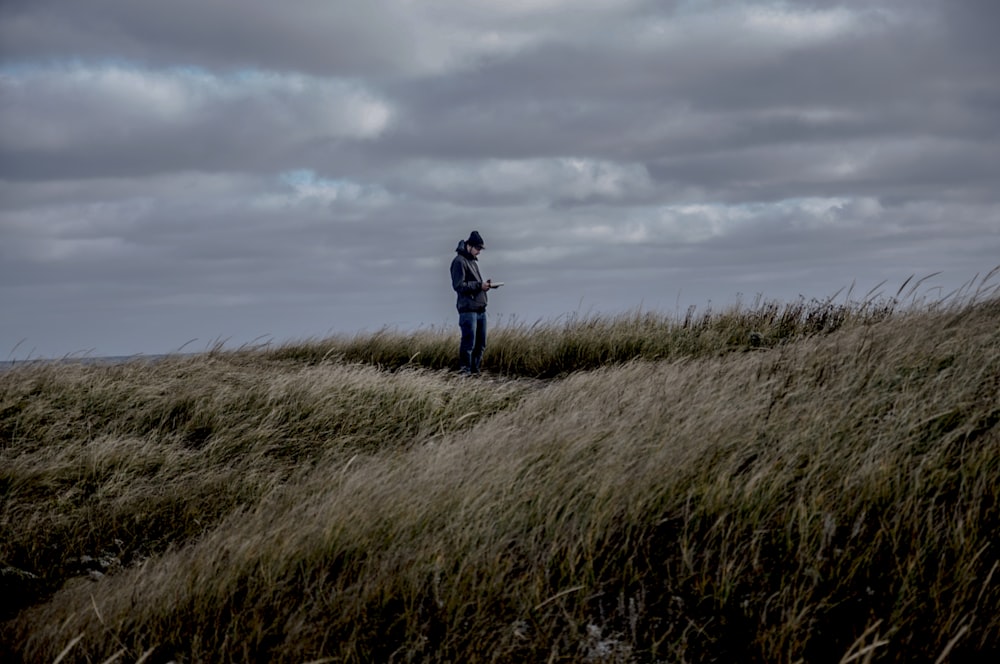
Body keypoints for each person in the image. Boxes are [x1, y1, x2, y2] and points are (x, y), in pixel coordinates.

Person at [450, 230, 493, 375]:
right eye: (478, 248)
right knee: (469, 343)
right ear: (469, 246)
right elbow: (459, 286)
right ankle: (465, 373)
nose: (479, 252)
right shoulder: (459, 262)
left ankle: (475, 372)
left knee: (481, 344)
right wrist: (478, 286)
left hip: (480, 309)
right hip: (468, 310)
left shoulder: (472, 262)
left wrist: (483, 287)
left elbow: (473, 284)